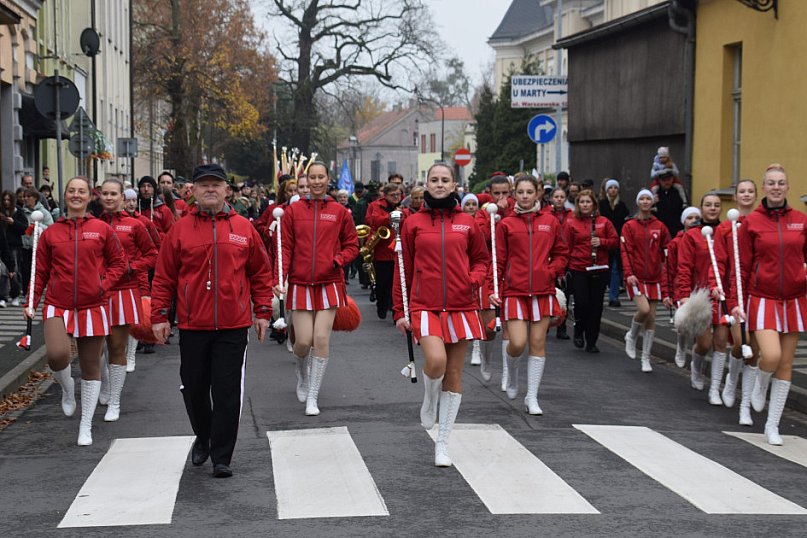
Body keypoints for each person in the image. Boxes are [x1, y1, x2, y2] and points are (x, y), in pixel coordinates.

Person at [151, 163, 273, 478]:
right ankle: (203, 436)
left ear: (225, 190)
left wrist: (262, 311)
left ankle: (222, 455)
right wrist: (160, 316)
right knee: (193, 388)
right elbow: (164, 276)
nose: (210, 189)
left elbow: (260, 272)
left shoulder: (243, 228)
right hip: (193, 325)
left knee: (227, 390)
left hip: (233, 325)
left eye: (215, 185)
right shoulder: (180, 229)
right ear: (192, 190)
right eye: (203, 184)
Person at [393, 163, 488, 467]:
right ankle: (429, 399)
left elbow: (481, 261)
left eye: (445, 180)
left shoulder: (468, 222)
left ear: (454, 184)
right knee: (435, 361)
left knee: (455, 374)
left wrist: (472, 280)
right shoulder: (413, 223)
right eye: (434, 179)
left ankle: (442, 443)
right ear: (425, 184)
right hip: (424, 304)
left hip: (461, 305)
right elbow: (403, 269)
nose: (439, 184)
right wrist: (399, 310)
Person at [25, 176, 128, 446]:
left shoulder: (101, 229)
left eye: (81, 191)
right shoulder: (51, 233)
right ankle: (67, 389)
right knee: (57, 356)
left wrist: (103, 285)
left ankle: (86, 426)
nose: (76, 195)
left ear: (89, 196)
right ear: (66, 195)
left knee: (90, 366)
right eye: (71, 190)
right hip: (57, 304)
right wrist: (31, 303)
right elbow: (40, 273)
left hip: (92, 305)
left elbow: (119, 262)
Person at [276, 162, 358, 416]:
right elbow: (285, 247)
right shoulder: (293, 212)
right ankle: (301, 373)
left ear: (328, 179)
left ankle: (313, 396)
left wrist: (338, 260)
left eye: (321, 177)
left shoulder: (339, 211)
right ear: (306, 180)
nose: (317, 181)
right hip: (300, 283)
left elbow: (352, 245)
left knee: (321, 339)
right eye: (312, 177)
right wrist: (280, 276)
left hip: (329, 282)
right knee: (302, 342)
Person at [732, 165, 806, 446]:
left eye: (781, 183)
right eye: (771, 183)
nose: (776, 187)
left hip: (795, 299)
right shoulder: (752, 223)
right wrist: (737, 302)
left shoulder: (801, 220)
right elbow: (741, 267)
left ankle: (772, 427)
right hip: (762, 298)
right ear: (764, 188)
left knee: (786, 365)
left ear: (788, 187)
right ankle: (761, 382)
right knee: (771, 356)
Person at [491, 174, 567, 415]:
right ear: (515, 194)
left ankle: (532, 397)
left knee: (537, 343)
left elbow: (562, 253)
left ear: (538, 194)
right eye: (520, 192)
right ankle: (511, 375)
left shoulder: (551, 221)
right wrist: (496, 290)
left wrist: (550, 270)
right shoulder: (506, 224)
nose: (524, 196)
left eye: (529, 192)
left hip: (543, 291)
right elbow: (499, 260)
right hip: (514, 291)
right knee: (517, 343)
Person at [98, 178, 158, 420]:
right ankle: (102, 383)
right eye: (105, 193)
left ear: (122, 197)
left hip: (124, 291)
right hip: (96, 293)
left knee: (115, 347)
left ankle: (115, 400)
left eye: (114, 194)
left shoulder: (134, 225)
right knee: (95, 348)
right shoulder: (91, 225)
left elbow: (153, 254)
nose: (110, 198)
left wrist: (132, 268)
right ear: (99, 196)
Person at [712, 179, 758, 425]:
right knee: (741, 344)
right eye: (742, 191)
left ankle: (745, 406)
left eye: (751, 191)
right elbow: (719, 260)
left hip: (760, 293)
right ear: (736, 196)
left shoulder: (761, 223)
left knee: (755, 352)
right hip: (734, 293)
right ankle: (731, 380)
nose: (747, 194)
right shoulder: (725, 229)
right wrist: (716, 283)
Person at [676, 192, 727, 405]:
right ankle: (696, 368)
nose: (713, 208)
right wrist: (684, 295)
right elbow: (684, 266)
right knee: (704, 343)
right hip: (700, 296)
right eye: (708, 205)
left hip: (723, 295)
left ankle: (715, 388)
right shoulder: (692, 235)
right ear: (702, 208)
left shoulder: (727, 232)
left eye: (716, 205)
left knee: (721, 343)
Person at [621, 189, 672, 372]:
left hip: (654, 278)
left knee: (651, 318)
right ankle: (632, 336)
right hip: (635, 278)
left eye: (648, 198)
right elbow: (625, 252)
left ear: (652, 202)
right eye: (641, 198)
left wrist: (665, 271)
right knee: (643, 309)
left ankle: (646, 357)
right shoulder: (629, 226)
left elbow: (667, 250)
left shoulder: (660, 226)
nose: (645, 201)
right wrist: (628, 274)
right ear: (637, 202)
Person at [474, 175, 515, 390]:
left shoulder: (517, 210)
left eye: (505, 193)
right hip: (489, 272)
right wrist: (494, 217)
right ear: (490, 193)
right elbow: (478, 238)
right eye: (496, 194)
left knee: (509, 326)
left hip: (511, 273)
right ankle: (486, 358)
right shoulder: (483, 213)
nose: (501, 198)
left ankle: (508, 374)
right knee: (489, 327)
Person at [564, 190, 618, 352]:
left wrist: (602, 242)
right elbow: (566, 246)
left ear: (593, 204)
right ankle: (579, 329)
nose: (585, 205)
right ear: (578, 204)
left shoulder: (604, 222)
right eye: (582, 202)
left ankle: (592, 340)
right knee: (582, 303)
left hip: (599, 268)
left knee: (596, 306)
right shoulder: (571, 222)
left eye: (588, 202)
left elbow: (614, 241)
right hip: (578, 268)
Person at [667, 206, 701, 368]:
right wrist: (668, 293)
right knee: (683, 324)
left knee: (698, 329)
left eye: (696, 217)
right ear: (683, 221)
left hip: (700, 288)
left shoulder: (705, 238)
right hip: (681, 288)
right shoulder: (675, 242)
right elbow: (670, 269)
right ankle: (681, 346)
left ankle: (695, 363)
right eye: (689, 217)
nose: (693, 220)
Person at [365, 182, 404, 319]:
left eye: (398, 194)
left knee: (397, 285)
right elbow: (374, 221)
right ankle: (381, 304)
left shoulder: (403, 205)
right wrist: (391, 217)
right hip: (382, 251)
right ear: (385, 195)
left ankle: (396, 313)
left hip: (398, 251)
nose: (396, 197)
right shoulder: (376, 206)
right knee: (383, 284)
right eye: (392, 195)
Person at [599, 179, 629, 307]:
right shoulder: (601, 204)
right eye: (610, 188)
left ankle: (614, 296)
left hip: (616, 242)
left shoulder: (621, 206)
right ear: (606, 190)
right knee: (604, 269)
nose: (613, 190)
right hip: (603, 241)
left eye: (615, 188)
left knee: (615, 270)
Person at [548, 188, 573, 340]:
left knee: (564, 295)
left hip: (567, 259)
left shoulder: (571, 215)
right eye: (556, 197)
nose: (558, 199)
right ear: (551, 198)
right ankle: (545, 321)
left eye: (561, 197)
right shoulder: (546, 215)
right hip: (550, 260)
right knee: (549, 293)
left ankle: (561, 326)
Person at [20, 188, 54, 296]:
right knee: (26, 270)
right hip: (25, 246)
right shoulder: (22, 211)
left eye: (28, 197)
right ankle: (26, 293)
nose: (25, 199)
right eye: (24, 197)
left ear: (35, 198)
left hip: (39, 247)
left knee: (39, 270)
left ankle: (39, 292)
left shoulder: (43, 212)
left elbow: (51, 228)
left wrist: (38, 226)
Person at [1, 191, 28, 306]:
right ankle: (2, 296)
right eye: (4, 200)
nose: (6, 202)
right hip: (2, 245)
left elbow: (25, 228)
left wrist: (13, 222)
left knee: (13, 270)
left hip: (14, 245)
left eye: (8, 200)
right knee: (2, 272)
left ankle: (15, 295)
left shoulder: (18, 212)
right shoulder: (1, 211)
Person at [651, 168, 688, 237]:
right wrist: (652, 203)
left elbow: (685, 209)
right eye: (663, 180)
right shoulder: (654, 194)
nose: (666, 182)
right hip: (659, 229)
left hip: (677, 228)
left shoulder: (679, 193)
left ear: (672, 179)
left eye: (668, 179)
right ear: (659, 181)